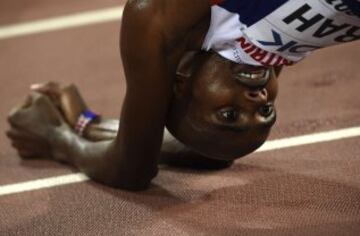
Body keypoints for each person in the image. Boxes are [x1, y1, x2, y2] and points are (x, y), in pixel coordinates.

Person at [6, 0, 360, 191]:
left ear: (181, 80)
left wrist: (63, 136)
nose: (256, 100)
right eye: (267, 110)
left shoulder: (164, 16)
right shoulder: (275, 48)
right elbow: (197, 152)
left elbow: (132, 168)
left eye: (229, 114)